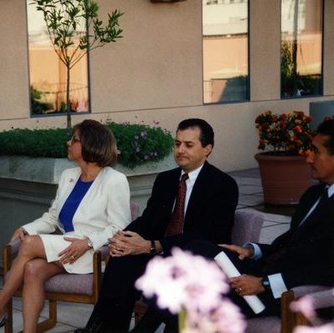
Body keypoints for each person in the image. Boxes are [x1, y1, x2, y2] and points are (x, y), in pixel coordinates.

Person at [140, 118, 334, 331]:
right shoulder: (314, 194)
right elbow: (290, 244)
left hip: (287, 292)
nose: (308, 157)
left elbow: (326, 268)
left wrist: (264, 283)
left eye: (315, 151)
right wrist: (252, 250)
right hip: (263, 270)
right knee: (196, 248)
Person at [0, 119, 132, 333]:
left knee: (30, 245)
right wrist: (28, 228)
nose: (68, 142)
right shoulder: (68, 176)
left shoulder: (115, 180)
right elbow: (52, 218)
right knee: (32, 269)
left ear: (91, 145)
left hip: (91, 253)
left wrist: (88, 242)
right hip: (66, 250)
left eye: (74, 139)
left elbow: (120, 226)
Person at [75, 118, 239, 333]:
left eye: (188, 145)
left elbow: (206, 235)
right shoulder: (166, 179)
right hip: (162, 253)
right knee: (121, 259)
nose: (180, 150)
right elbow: (148, 220)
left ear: (207, 149)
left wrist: (153, 246)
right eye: (177, 143)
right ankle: (104, 329)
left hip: (200, 260)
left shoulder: (223, 185)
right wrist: (123, 238)